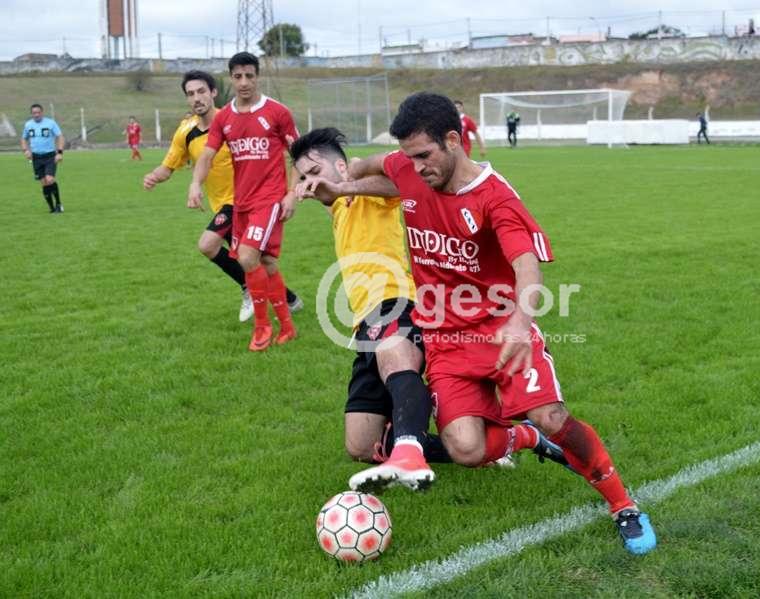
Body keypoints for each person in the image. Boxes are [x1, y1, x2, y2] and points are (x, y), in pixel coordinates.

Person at [298, 92, 657, 555]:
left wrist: (520, 321)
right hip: (446, 339)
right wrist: (344, 185)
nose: (416, 167)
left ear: (454, 140)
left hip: (502, 328)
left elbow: (527, 266)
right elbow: (375, 165)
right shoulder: (409, 167)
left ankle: (623, 505)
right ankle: (523, 438)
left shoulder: (495, 197)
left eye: (424, 155)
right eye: (409, 156)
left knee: (550, 416)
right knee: (465, 449)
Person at [290, 127, 566, 492]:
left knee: (398, 363)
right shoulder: (339, 207)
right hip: (363, 322)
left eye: (315, 171)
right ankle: (515, 438)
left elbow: (401, 186)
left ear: (340, 166)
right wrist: (305, 194)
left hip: (396, 301)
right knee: (362, 446)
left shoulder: (362, 194)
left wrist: (348, 182)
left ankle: (409, 453)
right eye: (302, 177)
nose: (309, 182)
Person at [144, 70, 302, 323]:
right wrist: (153, 176)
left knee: (208, 245)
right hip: (222, 205)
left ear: (213, 93)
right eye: (190, 94)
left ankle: (250, 291)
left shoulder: (233, 119)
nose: (197, 98)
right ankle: (290, 300)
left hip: (243, 201)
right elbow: (169, 166)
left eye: (201, 91)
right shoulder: (185, 131)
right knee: (257, 260)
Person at [189, 52, 301, 351]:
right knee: (267, 262)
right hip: (242, 203)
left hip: (270, 199)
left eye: (249, 76)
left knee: (247, 257)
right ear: (231, 79)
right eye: (238, 76)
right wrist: (195, 184)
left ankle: (262, 327)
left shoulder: (278, 112)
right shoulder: (224, 117)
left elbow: (298, 155)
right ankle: (288, 327)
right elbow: (207, 156)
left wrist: (292, 193)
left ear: (257, 77)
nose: (244, 82)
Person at [20, 103, 65, 213]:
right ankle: (51, 208)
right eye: (34, 113)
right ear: (31, 114)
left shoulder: (51, 123)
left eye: (38, 112)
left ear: (42, 112)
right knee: (44, 182)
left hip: (50, 156)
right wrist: (26, 150)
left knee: (50, 179)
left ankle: (58, 204)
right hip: (36, 158)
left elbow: (60, 137)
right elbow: (23, 139)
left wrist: (59, 152)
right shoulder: (28, 124)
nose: (36, 115)